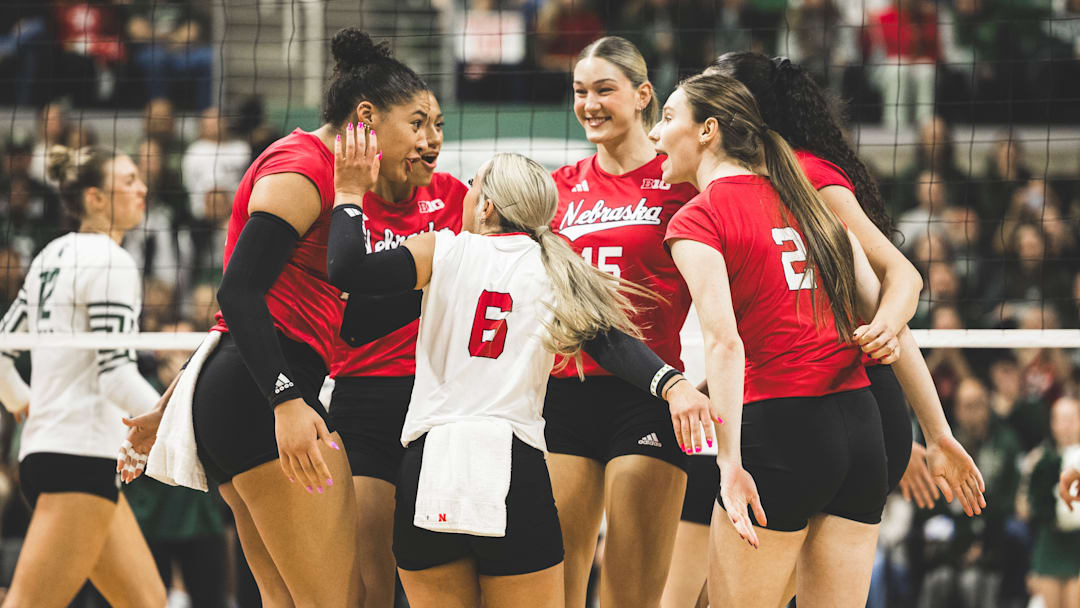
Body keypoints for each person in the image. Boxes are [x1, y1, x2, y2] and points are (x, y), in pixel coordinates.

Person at [328, 123, 713, 606]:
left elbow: (348, 280)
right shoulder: (557, 267)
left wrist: (347, 193)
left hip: (429, 463)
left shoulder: (440, 251)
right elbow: (610, 342)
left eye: (473, 190)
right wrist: (672, 384)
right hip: (512, 465)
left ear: (486, 206)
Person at [660, 52, 985, 607]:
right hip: (858, 426)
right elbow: (888, 315)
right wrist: (938, 432)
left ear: (712, 128)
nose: (656, 133)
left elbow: (725, 342)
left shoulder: (700, 216)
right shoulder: (805, 195)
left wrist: (730, 461)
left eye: (667, 117)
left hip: (779, 427)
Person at [118, 28, 411, 607]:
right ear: (369, 115)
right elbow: (238, 293)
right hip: (267, 396)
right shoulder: (306, 167)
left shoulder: (308, 170)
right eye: (419, 122)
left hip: (243, 389)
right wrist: (285, 400)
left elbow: (262, 317)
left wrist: (170, 402)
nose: (428, 140)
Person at [544, 36, 704, 608]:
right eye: (579, 91)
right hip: (563, 393)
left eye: (604, 90)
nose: (589, 103)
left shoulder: (682, 183)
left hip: (649, 397)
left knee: (629, 597)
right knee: (553, 593)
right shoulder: (557, 190)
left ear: (642, 96)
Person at [0, 145, 165, 607]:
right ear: (95, 197)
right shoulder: (111, 261)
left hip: (51, 451)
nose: (142, 188)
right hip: (80, 455)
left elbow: (1, 352)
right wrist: (174, 424)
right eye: (128, 180)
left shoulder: (50, 256)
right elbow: (115, 375)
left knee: (148, 602)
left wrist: (22, 404)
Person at [328, 83, 466, 606]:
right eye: (418, 124)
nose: (431, 140)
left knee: (443, 579)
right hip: (363, 401)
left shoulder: (458, 198)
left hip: (442, 402)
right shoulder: (344, 204)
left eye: (439, 125)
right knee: (367, 585)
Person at [1026, 397, 1080, 608]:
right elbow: (1031, 509)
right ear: (1053, 424)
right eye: (1061, 419)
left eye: (1072, 419)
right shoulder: (1040, 460)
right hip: (1051, 543)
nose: (1066, 426)